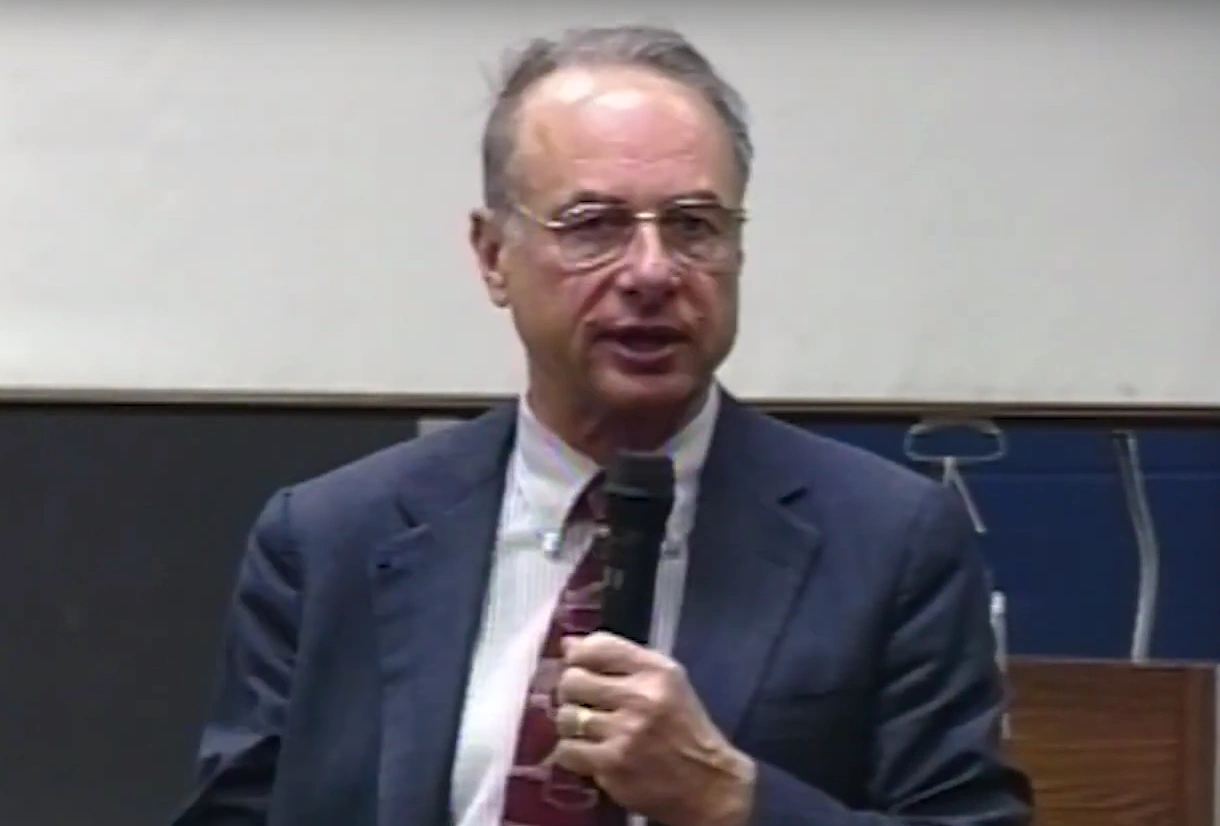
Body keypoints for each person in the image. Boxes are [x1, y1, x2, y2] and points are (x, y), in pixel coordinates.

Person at [172, 24, 1034, 826]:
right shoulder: (330, 539)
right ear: (491, 256)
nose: (653, 272)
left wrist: (731, 799)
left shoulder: (889, 541)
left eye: (695, 227)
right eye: (595, 227)